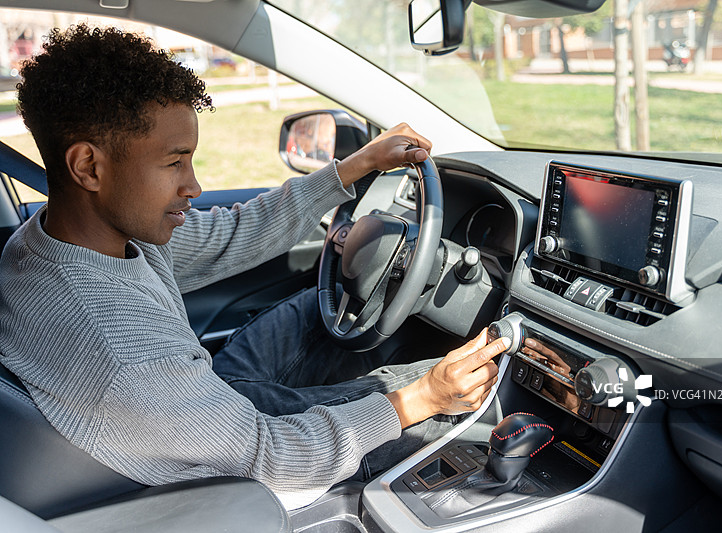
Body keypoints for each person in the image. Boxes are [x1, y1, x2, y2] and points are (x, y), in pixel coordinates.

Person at [0, 24, 508, 510]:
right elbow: (275, 460)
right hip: (234, 469)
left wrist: (359, 164)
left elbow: (236, 232)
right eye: (174, 162)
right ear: (88, 166)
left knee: (319, 306)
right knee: (465, 391)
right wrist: (422, 396)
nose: (193, 185)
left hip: (197, 412)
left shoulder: (60, 240)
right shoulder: (121, 349)